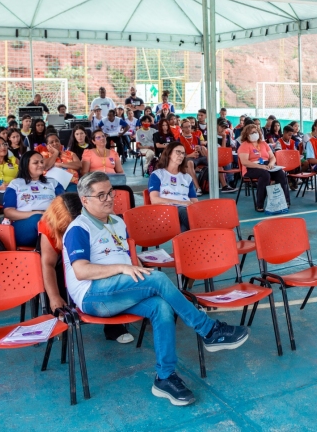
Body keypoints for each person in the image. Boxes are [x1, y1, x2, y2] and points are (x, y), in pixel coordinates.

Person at [64, 172, 248, 406]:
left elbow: (129, 258)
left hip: (120, 291)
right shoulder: (79, 228)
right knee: (159, 280)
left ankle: (165, 377)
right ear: (85, 200)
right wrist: (123, 268)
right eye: (101, 195)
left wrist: (134, 266)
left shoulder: (117, 222)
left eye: (110, 192)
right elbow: (81, 271)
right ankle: (209, 330)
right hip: (93, 295)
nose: (109, 198)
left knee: (161, 307)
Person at [39, 193, 133, 344]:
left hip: (94, 257)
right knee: (60, 273)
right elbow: (47, 264)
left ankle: (114, 326)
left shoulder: (100, 216)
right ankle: (61, 318)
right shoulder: (49, 224)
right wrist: (54, 296)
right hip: (61, 265)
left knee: (108, 266)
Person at [3, 151, 64, 248]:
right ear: (25, 165)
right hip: (25, 224)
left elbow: (64, 205)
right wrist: (36, 214)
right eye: (36, 163)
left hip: (52, 220)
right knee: (38, 219)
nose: (40, 165)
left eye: (41, 162)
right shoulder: (16, 184)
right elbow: (8, 212)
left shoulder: (53, 182)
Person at [238, 123, 290, 214]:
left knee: (280, 173)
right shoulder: (244, 145)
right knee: (265, 174)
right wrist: (261, 166)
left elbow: (272, 157)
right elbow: (245, 162)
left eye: (255, 132)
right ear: (246, 135)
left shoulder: (264, 143)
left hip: (266, 165)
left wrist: (271, 163)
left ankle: (285, 201)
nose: (254, 134)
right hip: (251, 167)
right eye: (251, 133)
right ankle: (260, 204)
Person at [147, 143, 199, 229]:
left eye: (183, 153)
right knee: (183, 212)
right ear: (169, 153)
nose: (181, 155)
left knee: (183, 226)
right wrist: (181, 203)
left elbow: (195, 201)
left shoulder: (187, 177)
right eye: (178, 152)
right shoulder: (157, 174)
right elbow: (154, 200)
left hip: (186, 211)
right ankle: (204, 232)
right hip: (165, 212)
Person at [178, 120, 206, 195]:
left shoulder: (196, 137)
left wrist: (199, 149)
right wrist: (191, 155)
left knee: (204, 149)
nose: (188, 129)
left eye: (189, 126)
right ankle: (198, 188)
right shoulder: (179, 139)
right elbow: (179, 155)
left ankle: (222, 184)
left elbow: (202, 151)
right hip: (188, 158)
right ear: (182, 128)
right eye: (186, 127)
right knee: (189, 162)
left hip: (199, 157)